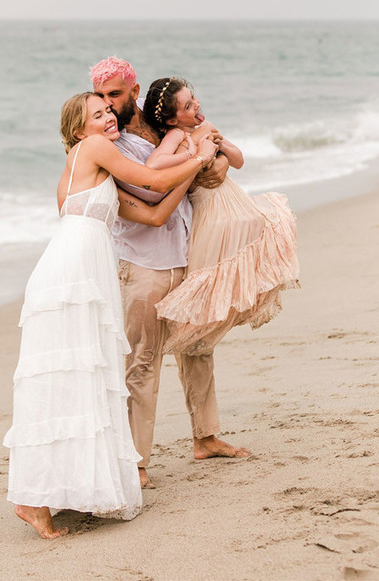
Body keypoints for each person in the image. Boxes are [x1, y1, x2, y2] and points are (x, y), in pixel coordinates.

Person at [3, 92, 217, 538]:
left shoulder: (92, 170)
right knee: (67, 377)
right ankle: (31, 499)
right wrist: (199, 157)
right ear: (79, 130)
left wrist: (192, 169)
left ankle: (49, 493)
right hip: (71, 275)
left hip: (79, 271)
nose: (107, 118)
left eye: (108, 111)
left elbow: (156, 213)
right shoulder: (95, 149)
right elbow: (151, 179)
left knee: (77, 379)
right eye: (96, 115)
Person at [90, 58, 251, 491]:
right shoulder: (108, 143)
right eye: (101, 98)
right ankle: (137, 461)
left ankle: (206, 436)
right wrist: (198, 164)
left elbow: (216, 169)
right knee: (141, 361)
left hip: (187, 250)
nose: (108, 105)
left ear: (134, 90)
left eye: (115, 95)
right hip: (143, 263)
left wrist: (204, 159)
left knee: (198, 346)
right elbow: (150, 190)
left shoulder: (164, 127)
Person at [143, 76, 300, 355]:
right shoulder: (177, 136)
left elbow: (239, 160)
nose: (196, 106)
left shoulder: (207, 127)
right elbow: (155, 163)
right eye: (188, 106)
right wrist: (195, 155)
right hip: (210, 211)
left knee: (254, 251)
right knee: (211, 278)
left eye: (194, 99)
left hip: (235, 202)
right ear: (171, 120)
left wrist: (220, 146)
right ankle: (198, 342)